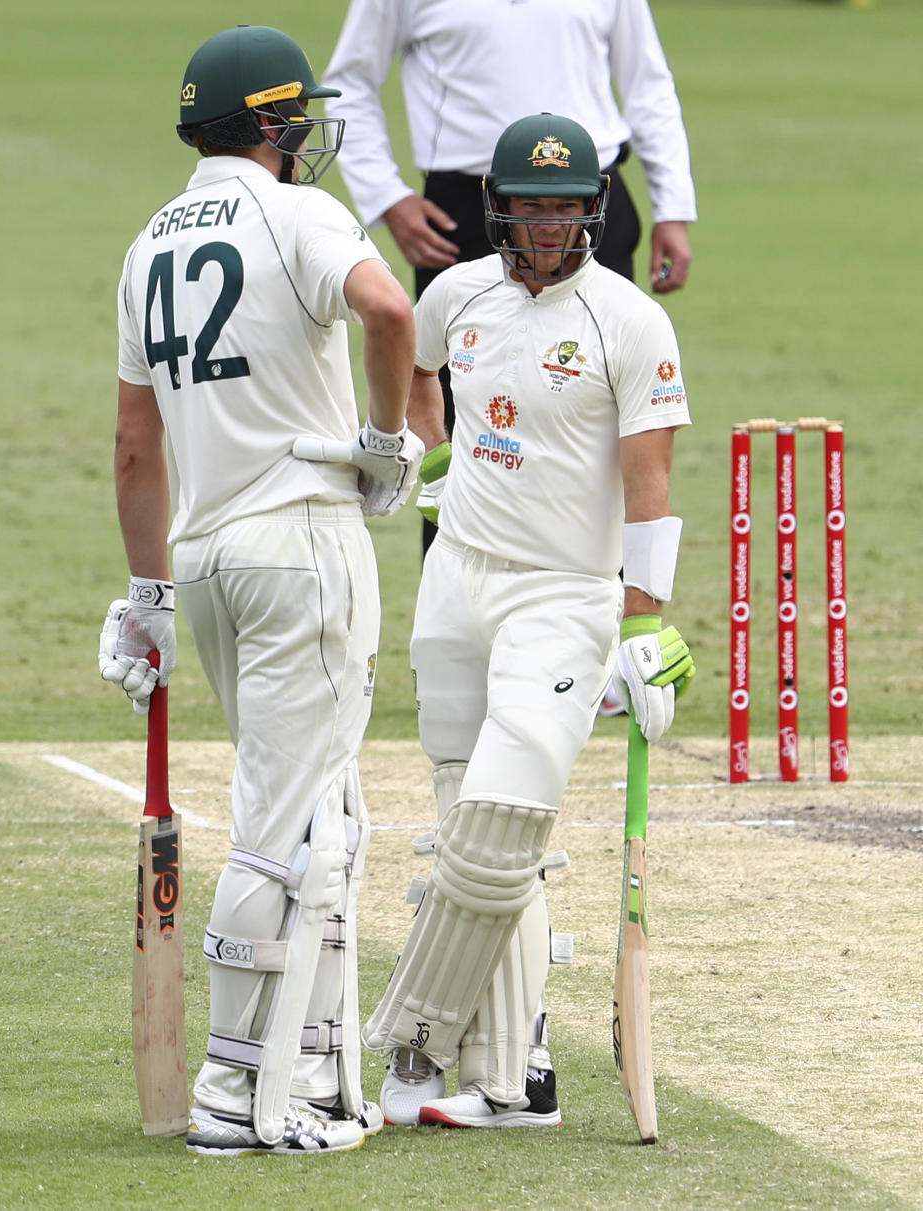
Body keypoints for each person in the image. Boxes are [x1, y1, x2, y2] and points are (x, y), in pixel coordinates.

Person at [98, 24, 423, 1157]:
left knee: (319, 811)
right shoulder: (300, 215)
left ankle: (315, 1060)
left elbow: (136, 445)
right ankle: (238, 1096)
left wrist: (143, 593)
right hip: (302, 541)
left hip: (204, 559)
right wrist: (385, 439)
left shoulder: (146, 244)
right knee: (287, 826)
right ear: (276, 126)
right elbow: (393, 312)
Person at [361, 113, 694, 1129]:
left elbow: (652, 485)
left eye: (567, 205)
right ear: (497, 207)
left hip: (565, 590)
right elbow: (420, 371)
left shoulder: (628, 321)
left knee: (502, 827)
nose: (550, 225)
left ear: (594, 208)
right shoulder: (455, 293)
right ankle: (514, 1074)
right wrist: (434, 451)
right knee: (468, 815)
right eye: (532, 205)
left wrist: (642, 625)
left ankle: (412, 1043)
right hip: (458, 579)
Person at [322, 0, 698, 555]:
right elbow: (350, 80)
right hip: (465, 209)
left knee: (603, 400)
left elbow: (647, 80)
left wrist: (673, 206)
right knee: (455, 403)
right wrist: (388, 197)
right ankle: (457, 582)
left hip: (588, 201)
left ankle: (610, 598)